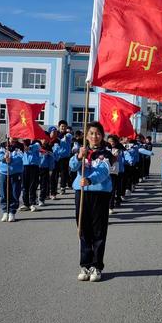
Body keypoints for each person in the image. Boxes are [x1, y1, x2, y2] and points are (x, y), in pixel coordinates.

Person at [69, 121, 113, 282]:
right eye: (91, 133)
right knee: (83, 229)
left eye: (98, 133)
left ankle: (97, 266)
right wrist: (79, 156)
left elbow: (104, 171)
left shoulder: (106, 153)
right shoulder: (81, 150)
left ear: (102, 136)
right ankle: (85, 265)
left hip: (99, 193)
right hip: (81, 193)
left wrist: (90, 180)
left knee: (98, 231)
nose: (95, 136)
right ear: (86, 135)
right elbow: (72, 167)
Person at [0, 137, 24, 222]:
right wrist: (4, 159)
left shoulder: (20, 146)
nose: (13, 138)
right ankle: (5, 212)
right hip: (4, 172)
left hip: (15, 173)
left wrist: (11, 160)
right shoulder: (3, 145)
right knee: (4, 193)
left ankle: (12, 212)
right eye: (12, 136)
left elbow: (20, 157)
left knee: (15, 193)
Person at [19, 139, 41, 212]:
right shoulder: (21, 145)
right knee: (24, 186)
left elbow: (35, 147)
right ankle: (26, 204)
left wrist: (28, 147)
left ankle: (32, 204)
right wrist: (23, 146)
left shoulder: (36, 144)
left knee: (32, 186)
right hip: (24, 166)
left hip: (34, 166)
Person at [38, 138, 55, 206]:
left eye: (45, 139)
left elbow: (52, 160)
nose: (44, 140)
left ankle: (41, 199)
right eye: (42, 139)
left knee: (44, 185)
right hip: (36, 168)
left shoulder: (49, 148)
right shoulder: (36, 147)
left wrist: (51, 169)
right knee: (35, 185)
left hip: (45, 168)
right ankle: (33, 199)